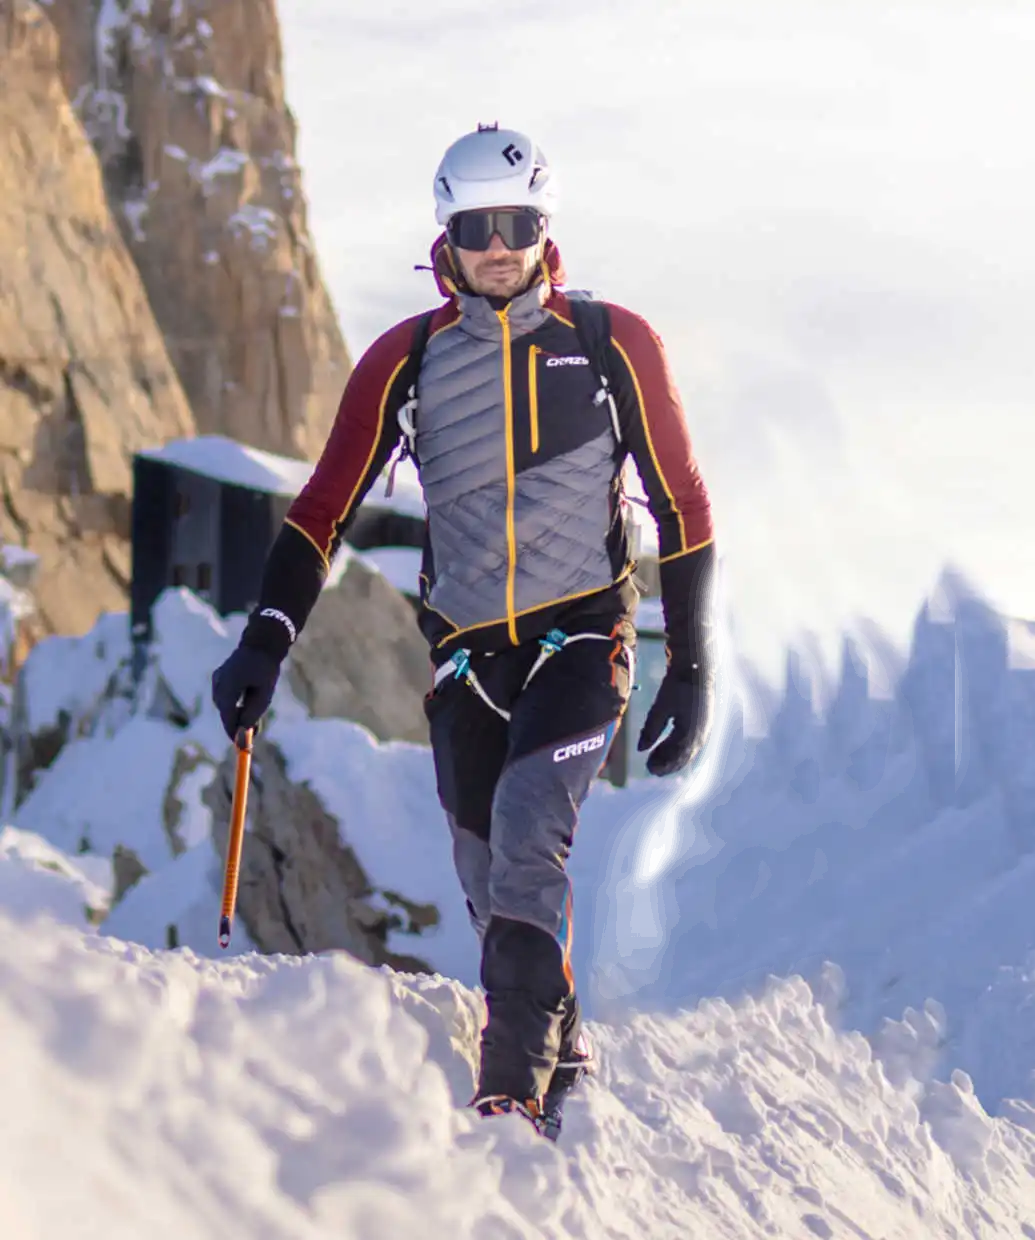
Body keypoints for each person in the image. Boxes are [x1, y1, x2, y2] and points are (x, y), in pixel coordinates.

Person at [211, 123, 720, 1128]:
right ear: (446, 229)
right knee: (490, 879)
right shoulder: (402, 361)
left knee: (533, 831)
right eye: (478, 224)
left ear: (545, 225)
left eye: (519, 223)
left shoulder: (610, 342)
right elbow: (322, 509)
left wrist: (693, 665)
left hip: (584, 638)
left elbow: (684, 503)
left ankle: (510, 1091)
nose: (499, 244)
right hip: (465, 660)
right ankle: (563, 1038)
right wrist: (265, 638)